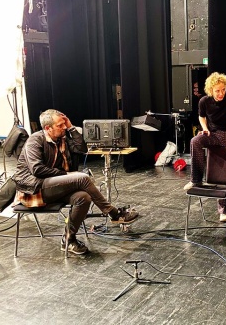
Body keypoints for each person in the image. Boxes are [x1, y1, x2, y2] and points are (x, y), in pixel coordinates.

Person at [12, 109, 138, 255]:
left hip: (55, 187)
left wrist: (71, 127)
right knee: (82, 178)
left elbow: (82, 149)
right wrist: (67, 174)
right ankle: (114, 214)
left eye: (64, 124)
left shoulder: (63, 138)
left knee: (83, 198)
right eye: (60, 125)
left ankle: (68, 239)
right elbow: (37, 169)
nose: (64, 127)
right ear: (48, 128)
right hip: (35, 190)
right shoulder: (35, 140)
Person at [183, 72, 226, 222]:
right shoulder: (204, 101)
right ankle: (196, 179)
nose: (221, 93)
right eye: (217, 90)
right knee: (195, 141)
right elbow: (201, 117)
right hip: (213, 134)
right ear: (211, 90)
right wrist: (205, 128)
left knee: (222, 171)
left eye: (223, 89)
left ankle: (224, 210)